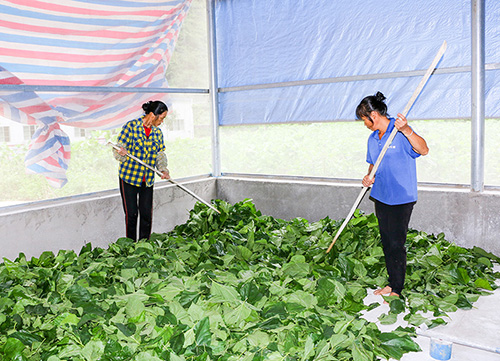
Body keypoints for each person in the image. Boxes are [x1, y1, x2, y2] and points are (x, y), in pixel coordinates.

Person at [356, 91, 429, 298]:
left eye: (365, 119)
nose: (365, 124)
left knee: (397, 244)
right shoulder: (372, 138)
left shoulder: (399, 132)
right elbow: (373, 163)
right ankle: (391, 282)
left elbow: (423, 150)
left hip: (401, 197)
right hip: (380, 195)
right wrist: (369, 176)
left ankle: (397, 289)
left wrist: (407, 129)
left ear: (374, 115)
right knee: (387, 241)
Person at [113, 100, 170, 241]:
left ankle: (144, 244)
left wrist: (163, 169)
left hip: (147, 179)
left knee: (146, 214)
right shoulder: (131, 127)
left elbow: (160, 153)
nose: (162, 122)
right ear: (153, 114)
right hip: (129, 177)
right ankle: (130, 244)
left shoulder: (157, 133)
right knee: (131, 214)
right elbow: (117, 147)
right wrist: (120, 152)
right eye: (161, 118)